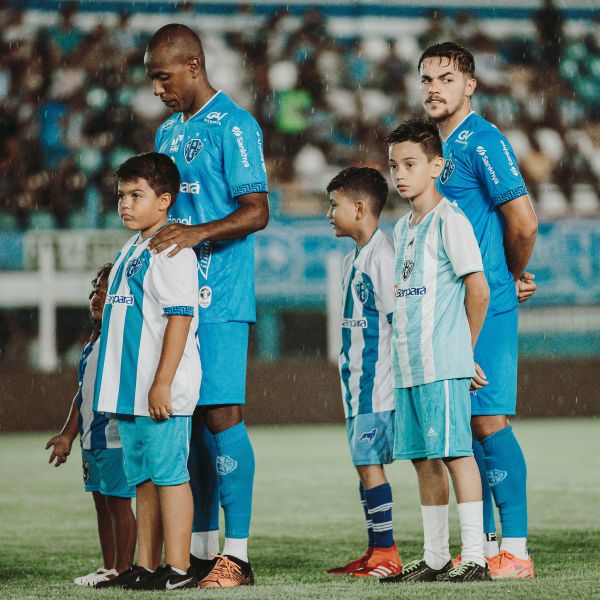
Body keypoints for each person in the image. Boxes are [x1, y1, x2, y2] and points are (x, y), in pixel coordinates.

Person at [145, 23, 269, 588]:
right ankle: (198, 552)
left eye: (162, 76)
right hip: (174, 299)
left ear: (193, 65)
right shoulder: (168, 131)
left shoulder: (235, 124)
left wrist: (198, 235)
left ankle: (237, 556)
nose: (156, 89)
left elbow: (256, 211)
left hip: (219, 294)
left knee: (221, 416)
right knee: (189, 421)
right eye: (151, 78)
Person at [418, 42, 538, 579]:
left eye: (445, 78)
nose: (433, 88)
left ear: (470, 84)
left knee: (488, 419)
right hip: (451, 308)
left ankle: (516, 548)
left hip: (485, 301)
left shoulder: (482, 139)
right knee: (461, 427)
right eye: (426, 80)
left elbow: (524, 220)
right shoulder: (435, 147)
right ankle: (486, 544)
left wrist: (510, 274)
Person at [381, 118, 491, 584]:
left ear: (436, 166)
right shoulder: (402, 227)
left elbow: (479, 290)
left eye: (410, 164)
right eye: (393, 166)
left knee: (455, 454)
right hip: (409, 364)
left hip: (442, 361)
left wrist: (463, 353)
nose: (400, 174)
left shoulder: (452, 220)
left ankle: (475, 557)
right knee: (423, 459)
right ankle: (434, 557)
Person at [93, 152, 201, 591]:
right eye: (122, 195)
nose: (126, 204)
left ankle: (178, 567)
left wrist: (162, 382)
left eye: (137, 195)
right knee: (144, 479)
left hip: (158, 390)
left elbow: (180, 317)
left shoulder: (171, 249)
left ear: (164, 201)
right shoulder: (133, 247)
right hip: (129, 390)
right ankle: (147, 564)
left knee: (170, 476)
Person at [324, 167, 402, 579]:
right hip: (357, 388)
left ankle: (388, 553)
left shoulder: (383, 257)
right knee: (363, 464)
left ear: (359, 208)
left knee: (370, 463)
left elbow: (398, 322)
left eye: (334, 205)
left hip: (378, 388)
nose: (329, 213)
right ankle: (375, 550)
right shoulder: (352, 259)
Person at [46, 263, 136, 588]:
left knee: (118, 501)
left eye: (104, 290)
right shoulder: (91, 344)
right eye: (94, 290)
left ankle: (124, 569)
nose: (96, 296)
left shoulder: (121, 338)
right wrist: (68, 436)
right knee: (101, 501)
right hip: (91, 439)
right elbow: (81, 394)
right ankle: (110, 565)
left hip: (114, 435)